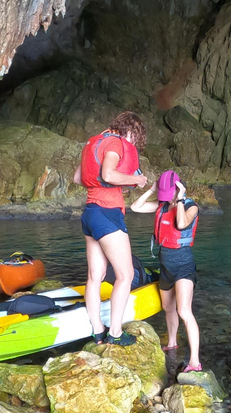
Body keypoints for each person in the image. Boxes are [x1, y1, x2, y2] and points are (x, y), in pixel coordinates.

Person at [73, 112, 148, 345]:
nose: (132, 145)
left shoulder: (95, 141)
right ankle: (115, 333)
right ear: (130, 131)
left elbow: (78, 178)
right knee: (126, 275)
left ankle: (97, 330)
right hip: (107, 213)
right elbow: (107, 174)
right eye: (134, 139)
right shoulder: (116, 142)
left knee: (95, 276)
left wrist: (116, 183)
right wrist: (135, 180)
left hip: (90, 213)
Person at [131, 170, 202, 372]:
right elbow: (136, 207)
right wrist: (153, 189)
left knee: (184, 311)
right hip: (166, 266)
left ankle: (195, 362)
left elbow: (181, 224)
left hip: (183, 266)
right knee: (168, 307)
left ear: (178, 189)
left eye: (167, 192)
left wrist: (180, 199)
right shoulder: (162, 206)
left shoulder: (191, 207)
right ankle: (172, 343)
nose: (166, 197)